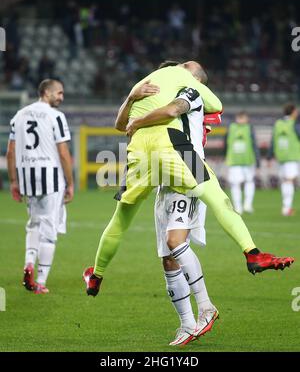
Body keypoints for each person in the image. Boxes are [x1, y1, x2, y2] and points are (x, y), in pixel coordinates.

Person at [83, 61, 294, 305]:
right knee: (218, 197)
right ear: (195, 77)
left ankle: (96, 275)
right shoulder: (190, 83)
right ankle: (252, 253)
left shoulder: (145, 82)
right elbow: (214, 105)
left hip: (138, 152)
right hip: (172, 145)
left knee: (120, 219)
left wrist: (131, 100)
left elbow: (120, 126)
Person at [112, 61, 220, 346]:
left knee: (175, 242)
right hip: (165, 176)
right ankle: (186, 324)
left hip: (189, 169)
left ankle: (207, 306)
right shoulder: (170, 95)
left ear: (195, 78)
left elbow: (171, 110)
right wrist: (134, 97)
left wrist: (138, 121)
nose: (180, 68)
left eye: (186, 67)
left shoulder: (191, 95)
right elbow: (120, 124)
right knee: (168, 258)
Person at [6, 79, 74, 294]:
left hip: (27, 177)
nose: (61, 98)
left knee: (34, 224)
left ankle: (28, 263)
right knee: (49, 229)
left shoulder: (19, 115)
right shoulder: (56, 116)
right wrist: (70, 183)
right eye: (59, 93)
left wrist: (14, 181)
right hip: (51, 177)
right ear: (46, 92)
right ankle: (41, 280)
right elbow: (63, 152)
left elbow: (10, 151)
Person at [224, 111, 260, 214]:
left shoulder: (250, 128)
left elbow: (254, 145)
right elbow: (225, 143)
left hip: (248, 161)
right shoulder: (230, 128)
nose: (241, 120)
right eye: (240, 118)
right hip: (234, 161)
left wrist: (257, 161)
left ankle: (247, 205)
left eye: (243, 118)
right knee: (235, 184)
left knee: (249, 182)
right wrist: (225, 156)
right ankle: (238, 207)